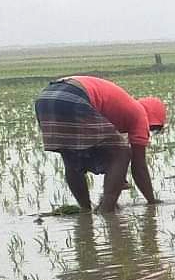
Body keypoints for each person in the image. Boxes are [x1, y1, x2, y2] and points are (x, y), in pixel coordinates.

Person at [33, 75, 166, 213]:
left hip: (46, 98)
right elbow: (139, 167)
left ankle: (85, 210)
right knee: (123, 153)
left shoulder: (118, 109)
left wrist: (119, 177)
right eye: (153, 128)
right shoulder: (140, 115)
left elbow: (101, 148)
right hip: (74, 96)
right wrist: (151, 201)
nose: (149, 131)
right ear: (152, 118)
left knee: (70, 154)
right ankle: (106, 210)